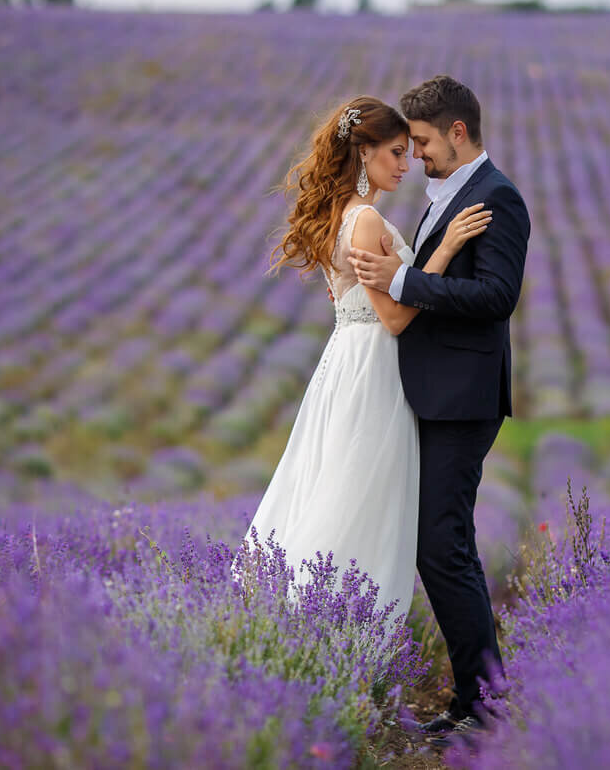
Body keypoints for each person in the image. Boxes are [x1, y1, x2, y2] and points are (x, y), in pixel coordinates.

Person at [234, 94, 492, 632]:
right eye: (396, 152)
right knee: (358, 497)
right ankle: (329, 633)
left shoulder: (340, 215)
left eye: (409, 151)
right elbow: (396, 319)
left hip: (346, 360)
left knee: (341, 487)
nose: (406, 163)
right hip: (374, 365)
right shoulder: (367, 218)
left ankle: (304, 629)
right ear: (363, 153)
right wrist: (444, 250)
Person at [348, 75, 530, 749]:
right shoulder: (448, 196)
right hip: (431, 391)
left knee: (441, 546)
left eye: (423, 142)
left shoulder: (497, 196)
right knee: (441, 546)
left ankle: (484, 707)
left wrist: (400, 279)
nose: (417, 154)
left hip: (462, 398)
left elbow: (497, 296)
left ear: (458, 132)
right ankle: (475, 699)